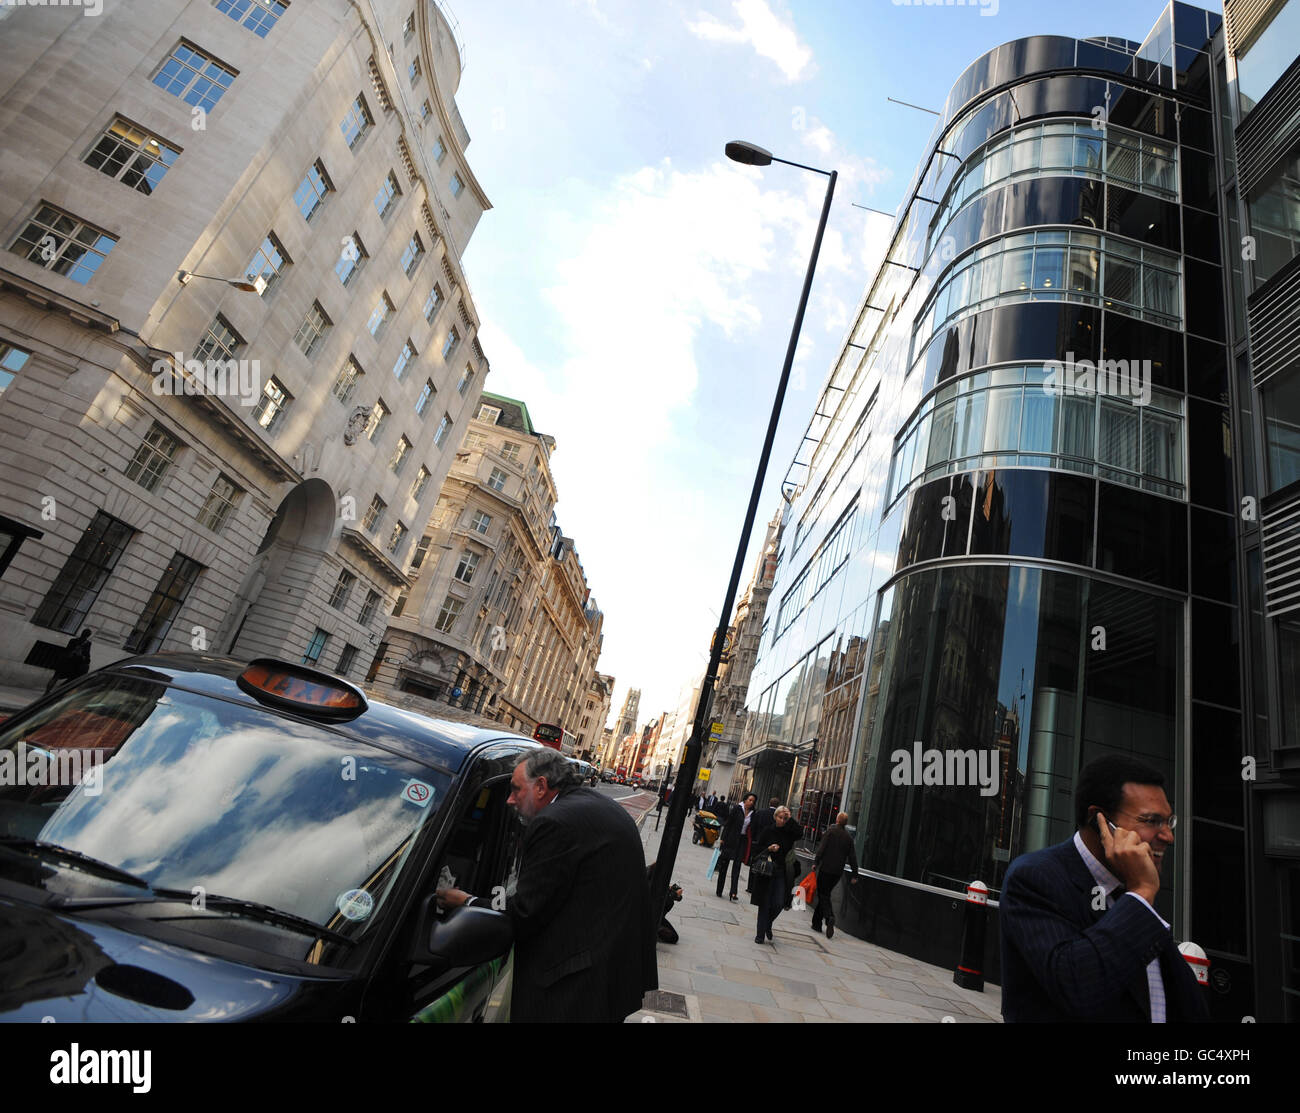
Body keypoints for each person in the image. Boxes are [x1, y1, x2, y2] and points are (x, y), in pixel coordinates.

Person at [436, 748, 657, 1022]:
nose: (509, 800)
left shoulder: (553, 822)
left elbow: (525, 911)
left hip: (575, 987)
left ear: (541, 786)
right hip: (613, 971)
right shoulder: (591, 805)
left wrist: (468, 901)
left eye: (516, 789)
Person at [999, 754, 1209, 1023]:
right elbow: (1077, 987)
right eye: (1151, 821)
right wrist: (1142, 893)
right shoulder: (1034, 879)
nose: (1168, 836)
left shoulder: (1131, 893)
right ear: (1100, 823)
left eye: (1169, 821)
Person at [749, 805, 803, 944]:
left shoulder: (789, 832)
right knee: (764, 903)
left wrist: (791, 818)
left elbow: (799, 833)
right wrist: (769, 848)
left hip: (781, 872)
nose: (782, 820)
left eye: (785, 818)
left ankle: (768, 923)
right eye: (780, 817)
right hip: (766, 871)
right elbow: (757, 849)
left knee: (779, 903)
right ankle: (760, 934)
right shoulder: (768, 831)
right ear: (775, 817)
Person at [811, 811, 858, 939]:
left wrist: (816, 862)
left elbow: (822, 848)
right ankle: (816, 923)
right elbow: (852, 857)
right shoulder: (848, 838)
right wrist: (855, 874)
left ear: (837, 820)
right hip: (837, 872)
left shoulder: (830, 832)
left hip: (826, 869)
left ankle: (829, 917)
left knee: (823, 894)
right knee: (825, 894)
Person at [715, 792, 755, 901]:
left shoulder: (753, 813)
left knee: (737, 866)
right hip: (730, 840)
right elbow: (728, 824)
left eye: (753, 801)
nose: (751, 802)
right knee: (724, 865)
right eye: (750, 800)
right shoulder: (737, 809)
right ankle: (719, 889)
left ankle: (733, 892)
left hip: (742, 841)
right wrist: (723, 838)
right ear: (745, 799)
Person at [44, 628, 93, 694]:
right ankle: (56, 692)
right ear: (88, 636)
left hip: (66, 661)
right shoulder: (87, 643)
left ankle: (47, 693)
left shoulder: (73, 640)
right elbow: (87, 655)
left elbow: (67, 650)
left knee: (55, 677)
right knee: (70, 679)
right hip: (74, 664)